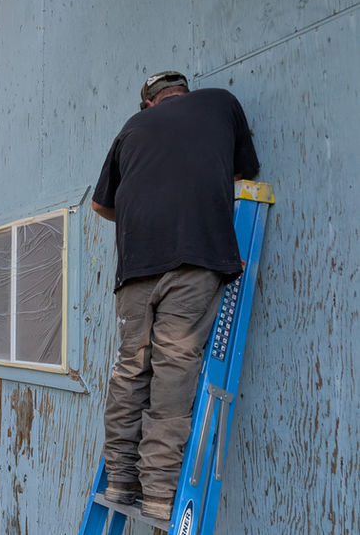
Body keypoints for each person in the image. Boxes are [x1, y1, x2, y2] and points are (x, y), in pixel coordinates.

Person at [91, 70, 259, 520]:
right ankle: (159, 493)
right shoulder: (220, 103)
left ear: (149, 102)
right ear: (183, 92)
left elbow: (101, 204)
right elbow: (240, 173)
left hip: (136, 268)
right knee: (173, 370)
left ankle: (120, 480)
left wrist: (145, 214)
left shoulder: (132, 127)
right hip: (194, 259)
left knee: (131, 369)